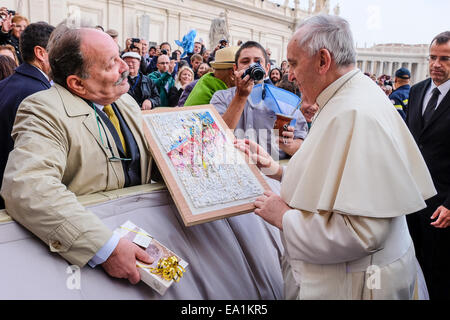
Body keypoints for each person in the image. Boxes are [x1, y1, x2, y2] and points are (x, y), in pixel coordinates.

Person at [236, 14, 436, 300]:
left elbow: (363, 232)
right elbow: (334, 171)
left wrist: (285, 218)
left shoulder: (355, 113)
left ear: (323, 61)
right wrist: (279, 171)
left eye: (293, 63)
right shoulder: (351, 95)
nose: (289, 75)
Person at [1, 24, 156, 284]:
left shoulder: (125, 101)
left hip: (138, 241)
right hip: (85, 266)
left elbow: (156, 160)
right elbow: (27, 187)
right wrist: (105, 248)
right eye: (111, 64)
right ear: (77, 84)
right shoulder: (42, 108)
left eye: (120, 57)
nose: (125, 67)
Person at [405, 31, 450, 300]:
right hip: (411, 201)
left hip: (443, 206)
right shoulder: (416, 90)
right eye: (432, 57)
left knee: (439, 274)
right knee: (412, 265)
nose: (436, 63)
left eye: (445, 59)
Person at [211, 41, 308, 160]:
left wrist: (289, 145)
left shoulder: (284, 101)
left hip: (271, 174)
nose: (252, 66)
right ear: (235, 69)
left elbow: (303, 145)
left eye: (258, 61)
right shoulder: (221, 98)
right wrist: (241, 96)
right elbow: (216, 138)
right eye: (245, 62)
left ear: (267, 69)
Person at [0, 22, 55, 209]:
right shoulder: (40, 94)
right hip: (19, 198)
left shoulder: (6, 83)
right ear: (41, 53)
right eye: (58, 49)